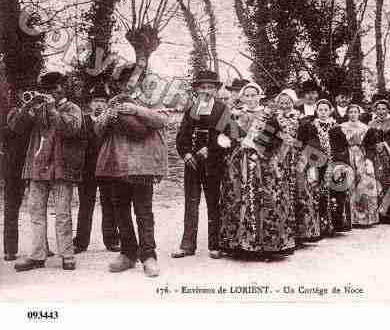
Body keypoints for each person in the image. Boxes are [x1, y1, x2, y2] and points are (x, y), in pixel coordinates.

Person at [95, 66, 168, 277]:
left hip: (143, 166)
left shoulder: (152, 99)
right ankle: (128, 254)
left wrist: (135, 110)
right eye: (123, 81)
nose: (128, 84)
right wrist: (108, 115)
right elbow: (98, 130)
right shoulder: (113, 101)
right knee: (121, 210)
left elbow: (162, 120)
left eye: (132, 79)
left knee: (144, 212)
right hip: (117, 165)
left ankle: (148, 256)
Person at [11, 72, 84, 272]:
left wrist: (52, 108)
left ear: (64, 87)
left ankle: (67, 255)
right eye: (48, 89)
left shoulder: (73, 108)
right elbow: (17, 127)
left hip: (62, 168)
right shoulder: (39, 107)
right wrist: (27, 105)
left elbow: (71, 129)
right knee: (35, 213)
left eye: (56, 87)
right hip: (37, 167)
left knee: (62, 214)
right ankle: (37, 255)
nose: (52, 92)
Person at [218, 82, 295, 259]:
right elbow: (224, 135)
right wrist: (228, 140)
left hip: (265, 163)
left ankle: (267, 245)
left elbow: (277, 137)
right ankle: (240, 245)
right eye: (247, 95)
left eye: (254, 95)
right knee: (238, 198)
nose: (251, 99)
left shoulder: (269, 115)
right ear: (242, 97)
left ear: (259, 96)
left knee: (266, 199)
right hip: (240, 163)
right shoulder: (235, 114)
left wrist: (258, 144)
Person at [173, 70, 228, 260]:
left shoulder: (222, 110)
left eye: (210, 87)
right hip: (193, 164)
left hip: (213, 165)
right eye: (202, 87)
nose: (206, 91)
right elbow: (182, 136)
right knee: (191, 203)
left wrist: (211, 150)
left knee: (214, 204)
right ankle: (187, 245)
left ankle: (216, 245)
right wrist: (186, 153)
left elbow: (228, 137)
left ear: (216, 90)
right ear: (197, 90)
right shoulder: (191, 109)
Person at [2, 90, 55, 262]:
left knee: (38, 208)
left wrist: (44, 106)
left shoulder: (39, 111)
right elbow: (16, 127)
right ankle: (10, 249)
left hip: (34, 164)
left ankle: (42, 247)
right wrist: (28, 106)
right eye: (25, 94)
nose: (29, 97)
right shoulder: (14, 112)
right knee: (12, 207)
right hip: (14, 166)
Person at [73, 83, 121, 254]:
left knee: (109, 204)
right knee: (86, 205)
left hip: (107, 169)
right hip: (87, 170)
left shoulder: (111, 122)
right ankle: (80, 242)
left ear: (107, 103)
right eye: (95, 101)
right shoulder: (83, 121)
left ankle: (112, 240)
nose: (99, 104)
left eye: (102, 101)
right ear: (90, 104)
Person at [297, 99, 347, 237]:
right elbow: (304, 145)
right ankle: (320, 226)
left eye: (326, 110)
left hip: (333, 163)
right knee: (318, 191)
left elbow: (342, 147)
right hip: (317, 163)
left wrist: (340, 165)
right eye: (320, 110)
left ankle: (335, 224)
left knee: (335, 193)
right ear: (316, 111)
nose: (323, 113)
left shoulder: (336, 127)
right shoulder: (311, 126)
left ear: (330, 111)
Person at [337, 104, 380, 227]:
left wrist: (369, 160)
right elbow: (339, 144)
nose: (353, 114)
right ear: (347, 114)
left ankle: (365, 218)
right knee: (350, 185)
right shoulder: (342, 127)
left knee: (364, 184)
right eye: (350, 112)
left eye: (355, 112)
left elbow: (371, 146)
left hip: (361, 156)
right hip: (347, 155)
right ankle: (351, 218)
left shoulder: (366, 128)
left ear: (359, 113)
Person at [274, 89, 303, 244]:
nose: (285, 105)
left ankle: (297, 232)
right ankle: (284, 231)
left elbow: (303, 136)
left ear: (293, 103)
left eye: (287, 103)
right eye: (282, 103)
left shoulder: (299, 116)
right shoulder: (274, 117)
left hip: (295, 155)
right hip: (279, 155)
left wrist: (296, 143)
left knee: (296, 189)